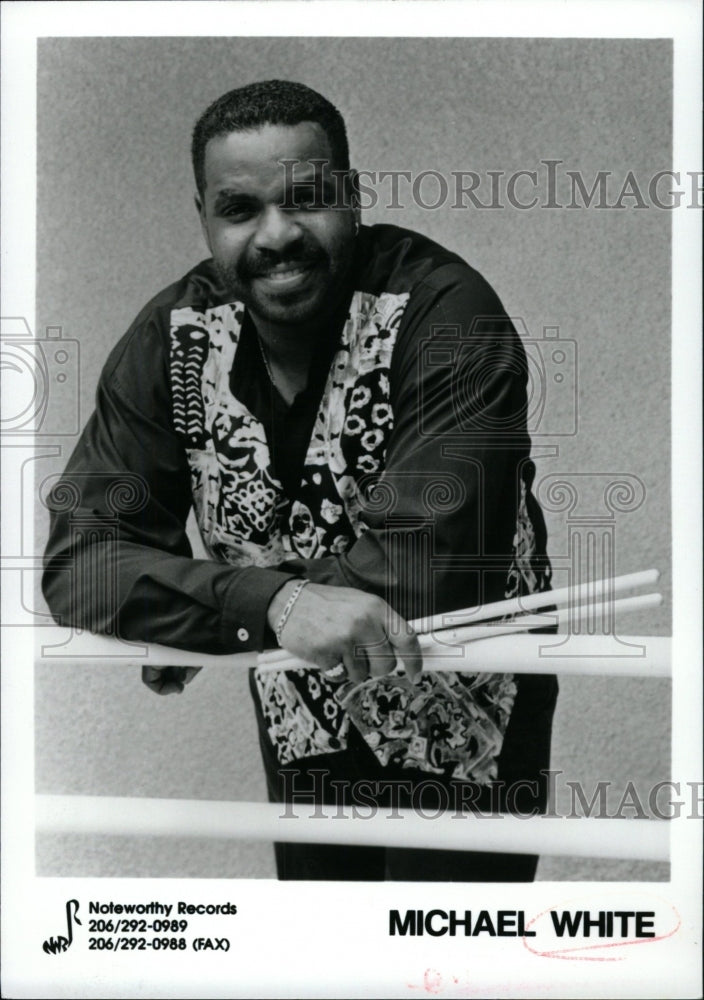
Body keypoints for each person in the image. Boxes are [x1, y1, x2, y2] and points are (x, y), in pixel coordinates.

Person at [42, 79, 558, 881]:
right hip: (301, 708)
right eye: (240, 209)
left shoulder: (447, 311)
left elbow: (429, 563)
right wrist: (266, 607)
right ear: (205, 216)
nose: (277, 234)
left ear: (351, 197)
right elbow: (81, 564)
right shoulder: (171, 338)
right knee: (323, 955)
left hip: (470, 701)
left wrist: (205, 606)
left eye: (307, 199)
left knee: (457, 966)